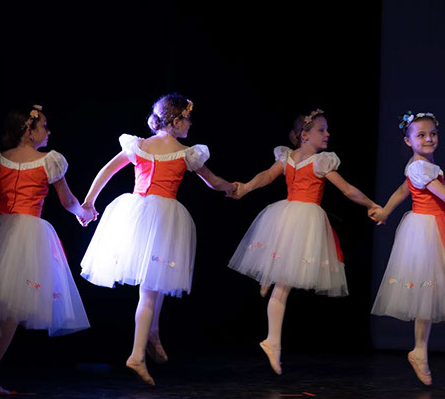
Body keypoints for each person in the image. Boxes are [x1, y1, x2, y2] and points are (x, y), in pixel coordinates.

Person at [80, 93, 235, 385]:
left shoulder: (139, 146)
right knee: (150, 291)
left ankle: (152, 333)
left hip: (136, 215)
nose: (190, 124)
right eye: (187, 118)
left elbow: (106, 171)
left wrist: (89, 202)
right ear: (176, 121)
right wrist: (233, 188)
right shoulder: (185, 153)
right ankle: (137, 355)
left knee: (157, 278)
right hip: (162, 219)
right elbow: (213, 181)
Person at [228, 109, 380, 375]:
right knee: (283, 284)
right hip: (299, 219)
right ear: (305, 135)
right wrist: (246, 186)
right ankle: (272, 341)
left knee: (281, 273)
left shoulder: (311, 160)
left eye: (327, 129)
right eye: (322, 130)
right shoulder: (297, 158)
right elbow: (267, 175)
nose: (327, 134)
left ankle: (268, 282)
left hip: (290, 218)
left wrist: (369, 203)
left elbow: (346, 189)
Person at [0, 104, 93, 396]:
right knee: (10, 308)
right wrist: (84, 213)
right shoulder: (49, 161)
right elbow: (67, 201)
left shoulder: (0, 158)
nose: (48, 131)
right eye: (44, 125)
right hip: (25, 236)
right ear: (29, 131)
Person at [371, 111, 445, 386]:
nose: (429, 139)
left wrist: (385, 211)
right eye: (421, 135)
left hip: (436, 225)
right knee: (427, 293)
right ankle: (420, 351)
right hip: (427, 230)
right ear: (408, 140)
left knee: (429, 294)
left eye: (433, 134)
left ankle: (419, 351)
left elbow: (403, 190)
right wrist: (385, 211)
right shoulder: (420, 167)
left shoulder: (423, 165)